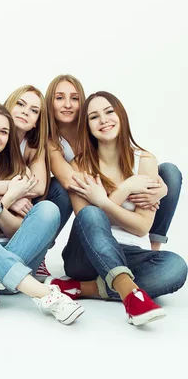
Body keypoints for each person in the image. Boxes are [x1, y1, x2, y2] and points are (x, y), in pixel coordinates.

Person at [53, 91, 186, 326]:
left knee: (175, 267)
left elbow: (142, 227)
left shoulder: (145, 161)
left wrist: (103, 199)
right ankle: (129, 295)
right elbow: (87, 221)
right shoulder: (79, 166)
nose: (103, 120)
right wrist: (124, 190)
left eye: (109, 112)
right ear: (87, 126)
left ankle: (88, 289)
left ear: (121, 116)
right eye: (94, 117)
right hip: (85, 257)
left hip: (130, 253)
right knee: (91, 213)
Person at [0, 102, 84, 325]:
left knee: (48, 209)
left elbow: (20, 232)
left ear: (10, 138)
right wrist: (3, 200)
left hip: (11, 267)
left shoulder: (20, 174)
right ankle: (45, 294)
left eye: (3, 132)